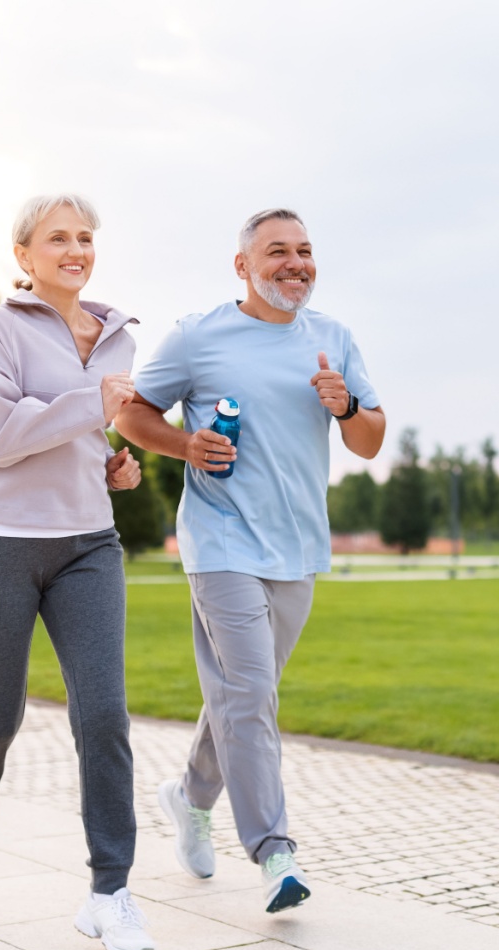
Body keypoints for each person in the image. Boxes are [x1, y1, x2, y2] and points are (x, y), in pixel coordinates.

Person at [115, 208, 385, 913]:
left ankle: (191, 797)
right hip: (221, 540)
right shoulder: (200, 336)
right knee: (254, 692)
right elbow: (133, 414)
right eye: (276, 252)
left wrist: (348, 403)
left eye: (304, 251)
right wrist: (184, 447)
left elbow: (369, 443)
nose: (294, 263)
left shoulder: (333, 339)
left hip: (297, 549)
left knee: (242, 696)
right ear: (244, 266)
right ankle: (275, 852)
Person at [0, 194, 156, 950]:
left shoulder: (120, 337)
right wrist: (87, 405)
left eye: (86, 237)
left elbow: (84, 432)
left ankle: (111, 893)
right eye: (57, 237)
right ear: (25, 256)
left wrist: (111, 463)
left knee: (104, 716)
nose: (76, 248)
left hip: (88, 545)